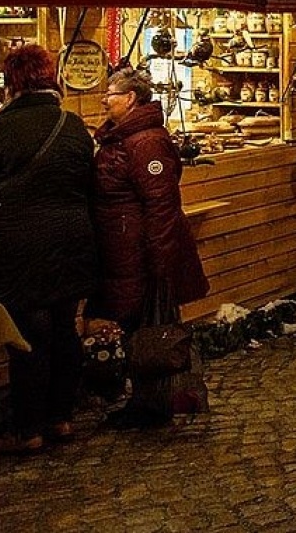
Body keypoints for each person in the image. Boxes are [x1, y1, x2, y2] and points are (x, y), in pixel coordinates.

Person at [0, 44, 97, 452]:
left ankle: (29, 430)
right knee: (64, 329)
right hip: (71, 242)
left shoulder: (0, 129)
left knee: (30, 335)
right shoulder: (72, 126)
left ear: (12, 83)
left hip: (19, 249)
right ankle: (62, 419)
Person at [90, 64, 211, 425]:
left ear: (129, 99)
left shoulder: (146, 141)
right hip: (126, 249)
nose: (103, 100)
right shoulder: (124, 137)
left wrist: (160, 258)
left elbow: (161, 205)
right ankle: (149, 400)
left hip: (140, 252)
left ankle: (153, 403)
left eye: (110, 95)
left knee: (149, 330)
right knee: (136, 328)